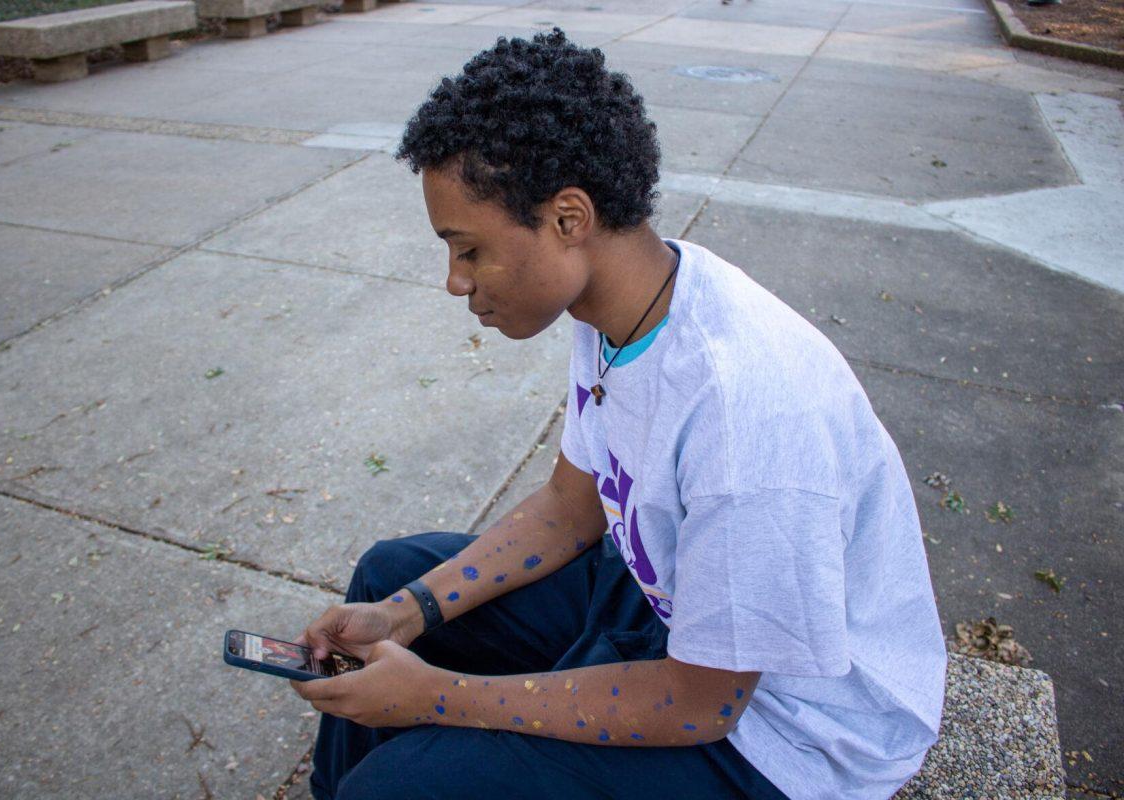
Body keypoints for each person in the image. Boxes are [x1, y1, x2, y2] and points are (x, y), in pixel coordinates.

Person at [289, 27, 946, 800]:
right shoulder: (623, 308)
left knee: (400, 788)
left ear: (570, 218)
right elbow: (572, 508)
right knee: (388, 576)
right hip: (667, 599)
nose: (454, 282)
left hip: (783, 730)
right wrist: (407, 615)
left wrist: (437, 696)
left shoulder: (742, 413)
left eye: (468, 250)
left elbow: (701, 704)